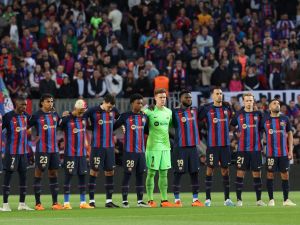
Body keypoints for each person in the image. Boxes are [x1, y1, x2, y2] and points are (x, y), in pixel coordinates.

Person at [198, 87, 235, 207]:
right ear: (213, 96)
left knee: (226, 170)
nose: (220, 95)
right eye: (217, 94)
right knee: (210, 169)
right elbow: (197, 118)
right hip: (212, 145)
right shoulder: (207, 109)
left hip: (225, 145)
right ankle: (208, 198)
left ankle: (227, 199)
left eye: (221, 94)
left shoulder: (227, 108)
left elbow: (232, 121)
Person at [114, 93, 149, 208]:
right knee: (127, 175)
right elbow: (113, 127)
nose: (140, 105)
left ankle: (140, 201)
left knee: (140, 175)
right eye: (138, 103)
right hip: (129, 152)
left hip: (141, 152)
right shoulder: (125, 116)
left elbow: (147, 132)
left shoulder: (144, 117)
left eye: (141, 103)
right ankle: (124, 201)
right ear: (132, 103)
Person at [230, 93, 266, 206]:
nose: (249, 102)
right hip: (242, 149)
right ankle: (239, 200)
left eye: (251, 100)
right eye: (247, 100)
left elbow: (262, 128)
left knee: (257, 174)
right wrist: (236, 136)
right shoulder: (238, 114)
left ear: (253, 101)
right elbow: (232, 126)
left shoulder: (258, 114)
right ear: (243, 102)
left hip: (256, 149)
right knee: (240, 173)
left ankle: (259, 200)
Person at [29, 94, 63, 210]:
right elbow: (26, 127)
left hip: (54, 150)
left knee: (53, 174)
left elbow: (61, 125)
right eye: (48, 101)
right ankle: (38, 203)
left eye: (52, 101)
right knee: (39, 173)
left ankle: (55, 203)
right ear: (42, 102)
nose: (50, 103)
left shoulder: (55, 115)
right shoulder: (36, 115)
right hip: (42, 150)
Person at [85, 94, 120, 208]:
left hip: (109, 147)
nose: (110, 109)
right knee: (94, 171)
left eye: (112, 107)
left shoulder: (114, 110)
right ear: (104, 102)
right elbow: (81, 118)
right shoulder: (93, 111)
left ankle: (109, 201)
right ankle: (91, 201)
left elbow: (120, 119)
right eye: (109, 106)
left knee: (110, 172)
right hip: (96, 147)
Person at [261, 99, 296, 206]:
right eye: (274, 103)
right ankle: (271, 200)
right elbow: (259, 133)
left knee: (285, 175)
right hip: (271, 153)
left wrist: (290, 150)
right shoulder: (265, 120)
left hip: (284, 153)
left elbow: (290, 135)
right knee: (270, 175)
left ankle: (286, 200)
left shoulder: (285, 119)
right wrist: (262, 146)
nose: (277, 105)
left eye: (278, 104)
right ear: (269, 107)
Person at [171, 90, 204, 207]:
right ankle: (177, 200)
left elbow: (209, 108)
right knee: (178, 173)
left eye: (190, 98)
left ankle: (195, 200)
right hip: (180, 148)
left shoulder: (195, 110)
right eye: (186, 98)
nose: (189, 99)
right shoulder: (174, 112)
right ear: (181, 99)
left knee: (194, 173)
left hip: (193, 148)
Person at [59, 99, 93, 209]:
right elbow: (58, 125)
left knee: (82, 176)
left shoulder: (83, 118)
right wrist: (63, 116)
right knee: (68, 177)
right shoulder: (66, 119)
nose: (83, 112)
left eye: (84, 110)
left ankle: (83, 202)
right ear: (76, 108)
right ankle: (66, 203)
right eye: (81, 110)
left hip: (82, 154)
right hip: (70, 154)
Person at [1, 96, 33, 211]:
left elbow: (36, 121)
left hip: (23, 153)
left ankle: (22, 204)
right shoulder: (8, 116)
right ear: (16, 104)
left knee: (24, 177)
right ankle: (5, 204)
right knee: (8, 176)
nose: (24, 107)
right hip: (12, 152)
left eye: (25, 105)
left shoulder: (26, 116)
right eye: (22, 105)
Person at [144, 88, 174, 208]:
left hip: (166, 147)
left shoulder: (169, 112)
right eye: (160, 97)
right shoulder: (149, 111)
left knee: (164, 174)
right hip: (153, 147)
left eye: (164, 97)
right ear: (155, 98)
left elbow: (171, 126)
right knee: (151, 173)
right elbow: (139, 122)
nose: (163, 99)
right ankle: (150, 200)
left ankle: (164, 200)